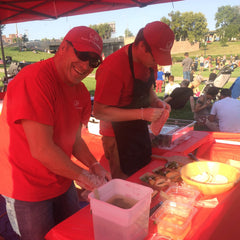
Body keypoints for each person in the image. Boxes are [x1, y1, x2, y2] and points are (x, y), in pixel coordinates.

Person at [0, 26, 111, 240]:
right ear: (62, 48)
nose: (86, 65)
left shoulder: (79, 90)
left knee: (70, 233)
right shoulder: (35, 79)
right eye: (82, 55)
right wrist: (87, 179)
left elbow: (75, 140)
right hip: (26, 186)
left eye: (94, 61)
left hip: (61, 178)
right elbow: (42, 150)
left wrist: (94, 165)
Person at [93, 21, 174, 178]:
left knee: (143, 173)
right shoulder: (113, 68)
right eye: (156, 57)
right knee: (124, 178)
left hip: (138, 127)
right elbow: (99, 112)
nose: (157, 63)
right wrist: (142, 114)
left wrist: (156, 102)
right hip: (115, 133)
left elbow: (148, 89)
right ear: (143, 46)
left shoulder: (150, 63)